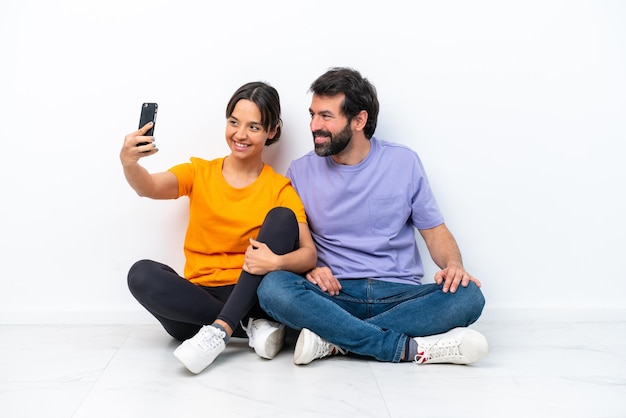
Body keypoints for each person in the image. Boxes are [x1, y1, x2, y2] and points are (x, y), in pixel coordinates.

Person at [257, 67, 488, 366]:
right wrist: (305, 272)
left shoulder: (403, 162)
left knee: (469, 296)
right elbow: (297, 244)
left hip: (398, 293)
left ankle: (335, 339)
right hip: (333, 293)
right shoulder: (300, 171)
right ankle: (400, 346)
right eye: (312, 114)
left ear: (359, 120)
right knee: (272, 288)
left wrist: (454, 266)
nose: (314, 125)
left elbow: (435, 232)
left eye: (326, 116)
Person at [120, 81, 317, 374]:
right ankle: (249, 328)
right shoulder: (200, 172)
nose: (240, 134)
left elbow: (308, 255)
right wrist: (129, 163)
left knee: (282, 217)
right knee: (141, 274)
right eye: (234, 122)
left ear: (272, 131)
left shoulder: (279, 188)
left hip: (248, 294)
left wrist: (276, 261)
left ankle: (223, 328)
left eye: (254, 127)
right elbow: (148, 187)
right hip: (194, 302)